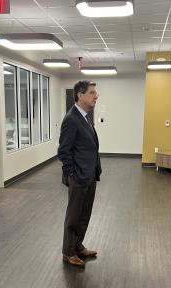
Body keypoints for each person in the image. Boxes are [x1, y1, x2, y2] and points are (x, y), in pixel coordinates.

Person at [58, 80, 102, 268]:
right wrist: (72, 175)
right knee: (74, 216)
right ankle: (68, 253)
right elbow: (64, 151)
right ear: (80, 95)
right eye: (92, 92)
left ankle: (77, 246)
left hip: (90, 174)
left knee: (84, 215)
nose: (96, 96)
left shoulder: (85, 117)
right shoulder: (71, 119)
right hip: (79, 177)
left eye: (95, 92)